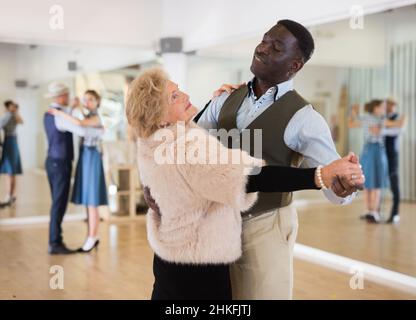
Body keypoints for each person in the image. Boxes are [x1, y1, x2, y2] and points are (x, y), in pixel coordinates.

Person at [126, 68, 364, 299]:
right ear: (158, 116)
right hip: (195, 271)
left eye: (179, 90)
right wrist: (320, 175)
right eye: (175, 97)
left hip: (174, 262)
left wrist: (212, 105)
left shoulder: (156, 140)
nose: (186, 96)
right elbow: (251, 177)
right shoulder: (183, 151)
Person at [169, 19, 360, 300]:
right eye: (264, 40)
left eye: (276, 46)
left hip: (265, 226)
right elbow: (190, 149)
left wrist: (343, 186)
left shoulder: (305, 119)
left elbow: (336, 185)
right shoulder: (223, 100)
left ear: (295, 66)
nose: (262, 48)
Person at [44, 82, 104, 255]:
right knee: (59, 203)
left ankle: (85, 237)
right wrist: (100, 132)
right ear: (61, 96)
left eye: (90, 99)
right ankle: (55, 242)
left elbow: (79, 124)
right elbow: (81, 129)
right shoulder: (59, 115)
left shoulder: (49, 114)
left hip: (53, 161)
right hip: (61, 163)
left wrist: (69, 110)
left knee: (65, 202)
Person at [348, 99, 405, 223]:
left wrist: (354, 112)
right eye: (382, 107)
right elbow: (352, 124)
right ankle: (371, 211)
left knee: (372, 183)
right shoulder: (376, 119)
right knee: (371, 183)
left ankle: (372, 211)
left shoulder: (375, 119)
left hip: (372, 152)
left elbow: (351, 123)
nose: (384, 110)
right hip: (372, 152)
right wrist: (354, 112)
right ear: (375, 108)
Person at [384, 98, 405, 223]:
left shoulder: (399, 118)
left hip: (392, 155)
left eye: (391, 105)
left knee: (394, 184)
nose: (389, 107)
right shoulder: (384, 117)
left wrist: (382, 129)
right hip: (382, 154)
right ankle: (374, 212)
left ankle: (395, 213)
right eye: (388, 104)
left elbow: (398, 131)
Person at [0, 100, 23, 207]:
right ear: (8, 106)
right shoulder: (7, 115)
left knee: (11, 172)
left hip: (12, 142)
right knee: (10, 172)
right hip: (9, 142)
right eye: (12, 105)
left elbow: (21, 121)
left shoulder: (13, 115)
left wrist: (15, 111)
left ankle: (10, 195)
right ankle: (9, 195)